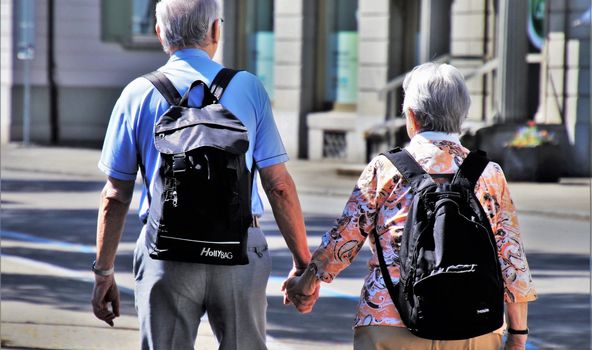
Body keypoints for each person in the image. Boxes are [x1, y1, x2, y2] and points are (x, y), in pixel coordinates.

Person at [91, 0, 313, 349]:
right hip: (239, 250)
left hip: (166, 253)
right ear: (215, 30)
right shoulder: (249, 88)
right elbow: (278, 185)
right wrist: (304, 265)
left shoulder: (137, 93)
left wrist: (104, 272)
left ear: (160, 33)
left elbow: (115, 195)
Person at [283, 62, 537, 350]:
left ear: (412, 117)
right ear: (462, 115)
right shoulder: (489, 174)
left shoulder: (386, 168)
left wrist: (307, 281)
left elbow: (345, 238)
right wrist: (518, 333)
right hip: (473, 325)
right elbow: (511, 257)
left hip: (389, 321)